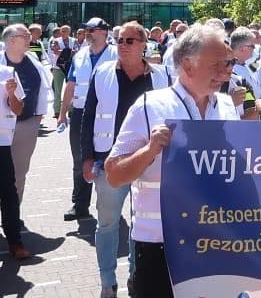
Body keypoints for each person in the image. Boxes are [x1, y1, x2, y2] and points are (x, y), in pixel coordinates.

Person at [105, 24, 239, 298]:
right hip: (160, 245)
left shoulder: (226, 105)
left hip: (215, 242)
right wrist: (150, 150)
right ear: (188, 65)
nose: (227, 71)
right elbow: (114, 175)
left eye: (229, 62)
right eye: (219, 63)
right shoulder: (150, 105)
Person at [80, 21, 170, 298]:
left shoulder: (161, 75)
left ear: (144, 45)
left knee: (140, 224)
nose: (122, 44)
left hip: (149, 161)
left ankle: (135, 275)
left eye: (129, 40)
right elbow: (88, 115)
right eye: (119, 39)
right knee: (107, 223)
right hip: (111, 161)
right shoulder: (103, 72)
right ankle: (108, 282)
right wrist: (85, 157)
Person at [58, 17, 118, 221]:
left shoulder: (116, 54)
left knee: (107, 158)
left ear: (104, 32)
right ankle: (80, 205)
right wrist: (62, 111)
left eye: (92, 30)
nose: (88, 34)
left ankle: (108, 205)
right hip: (81, 114)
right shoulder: (80, 55)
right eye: (86, 30)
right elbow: (71, 84)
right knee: (80, 159)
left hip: (107, 115)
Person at [0, 25, 52, 207]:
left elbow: (44, 89)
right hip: (1, 125)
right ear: (11, 40)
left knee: (20, 172)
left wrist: (37, 118)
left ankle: (12, 212)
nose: (30, 38)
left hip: (26, 124)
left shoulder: (33, 61)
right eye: (25, 35)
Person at [0, 61, 30, 260]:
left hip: (1, 144)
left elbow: (19, 110)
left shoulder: (7, 72)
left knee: (8, 193)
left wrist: (11, 94)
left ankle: (15, 242)